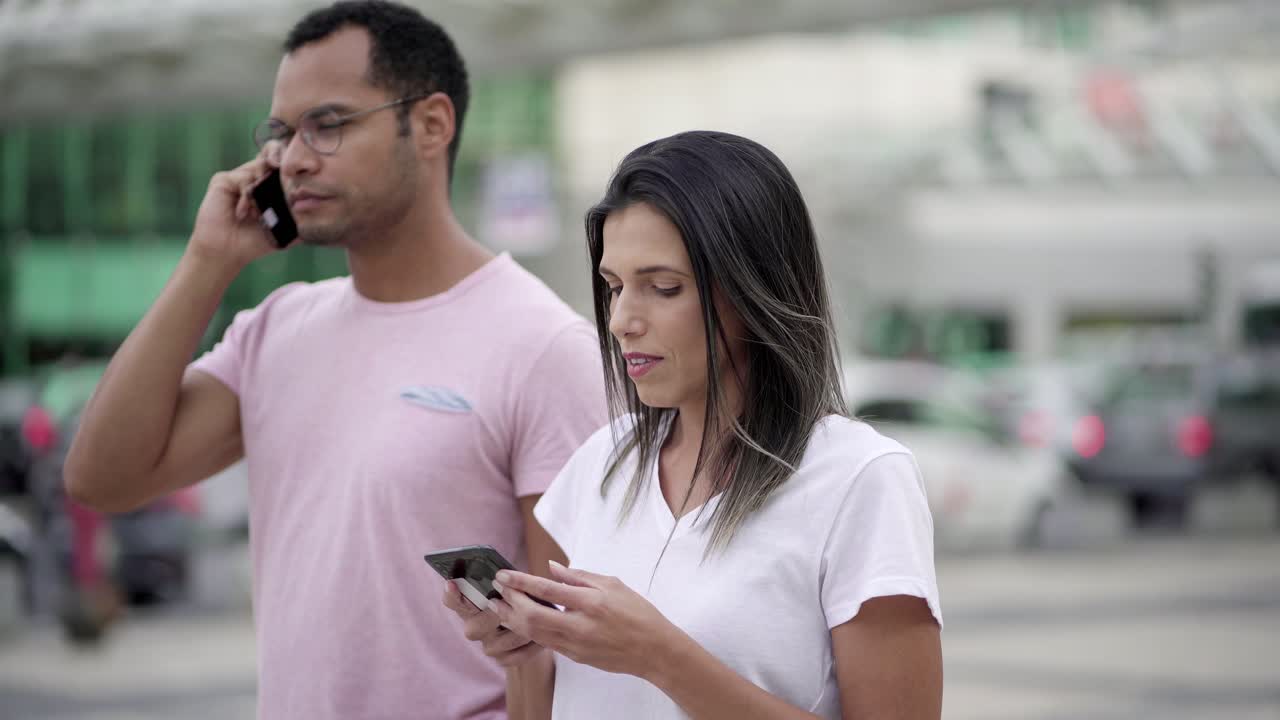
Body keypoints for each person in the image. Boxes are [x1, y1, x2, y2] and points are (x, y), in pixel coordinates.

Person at [64, 2, 605, 717]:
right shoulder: (276, 331)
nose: (292, 158)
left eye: (328, 124)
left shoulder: (543, 348)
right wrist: (207, 261)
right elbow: (100, 479)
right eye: (281, 133)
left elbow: (573, 653)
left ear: (431, 124)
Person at [444, 130, 944, 719]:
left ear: (754, 289)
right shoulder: (600, 465)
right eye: (613, 287)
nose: (622, 320)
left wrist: (659, 656)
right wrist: (523, 654)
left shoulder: (859, 479)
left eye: (663, 288)